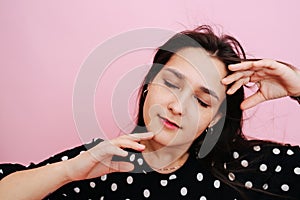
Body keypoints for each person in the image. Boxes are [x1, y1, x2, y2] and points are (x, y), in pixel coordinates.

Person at [0, 25, 300, 200]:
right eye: (171, 83)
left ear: (216, 118)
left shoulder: (245, 170)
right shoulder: (100, 164)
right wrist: (67, 172)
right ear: (149, 84)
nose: (177, 106)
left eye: (203, 101)